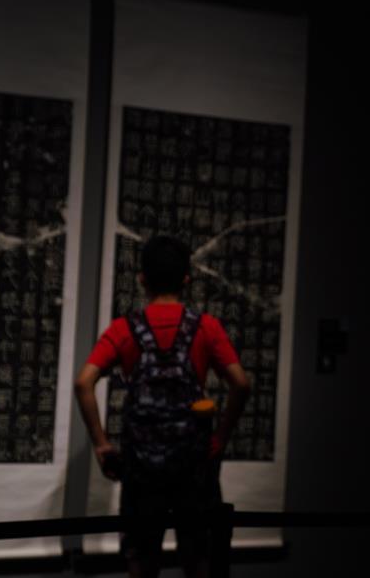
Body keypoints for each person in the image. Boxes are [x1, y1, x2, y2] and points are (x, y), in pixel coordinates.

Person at [75, 235, 250, 578]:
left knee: (142, 560)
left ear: (142, 278)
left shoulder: (124, 329)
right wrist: (220, 438)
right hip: (194, 467)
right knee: (198, 558)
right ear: (186, 279)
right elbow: (241, 385)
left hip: (142, 468)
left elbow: (84, 383)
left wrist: (101, 443)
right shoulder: (206, 327)